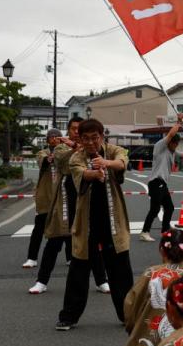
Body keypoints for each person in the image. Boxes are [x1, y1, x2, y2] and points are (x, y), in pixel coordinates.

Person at [55, 118, 134, 329]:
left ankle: (128, 315)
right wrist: (95, 173)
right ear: (80, 139)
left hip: (112, 223)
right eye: (86, 138)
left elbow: (122, 161)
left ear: (102, 136)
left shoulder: (113, 150)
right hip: (86, 224)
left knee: (121, 271)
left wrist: (106, 164)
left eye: (95, 138)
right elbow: (81, 173)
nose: (91, 142)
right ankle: (68, 316)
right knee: (78, 270)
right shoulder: (77, 157)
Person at [29, 118, 108, 295]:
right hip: (67, 193)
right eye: (73, 129)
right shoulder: (61, 147)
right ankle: (42, 281)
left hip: (87, 193)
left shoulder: (91, 146)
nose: (76, 132)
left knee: (91, 240)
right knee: (55, 239)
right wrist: (74, 146)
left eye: (79, 130)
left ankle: (101, 280)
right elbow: (60, 160)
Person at [139, 117, 183, 242]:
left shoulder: (172, 152)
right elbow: (170, 134)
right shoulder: (160, 147)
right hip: (156, 182)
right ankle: (145, 232)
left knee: (169, 207)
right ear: (169, 142)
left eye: (177, 144)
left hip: (162, 184)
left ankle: (165, 230)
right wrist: (179, 123)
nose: (176, 146)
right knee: (155, 209)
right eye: (174, 143)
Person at [23, 129, 62, 269]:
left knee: (68, 228)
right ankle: (31, 257)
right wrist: (49, 158)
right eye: (52, 137)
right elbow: (42, 161)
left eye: (57, 137)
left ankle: (71, 257)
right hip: (45, 196)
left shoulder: (66, 152)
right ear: (47, 139)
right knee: (39, 227)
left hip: (62, 196)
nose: (54, 139)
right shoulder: (43, 153)